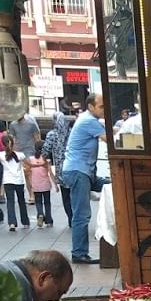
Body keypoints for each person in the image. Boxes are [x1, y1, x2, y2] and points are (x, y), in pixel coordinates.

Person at [63, 93, 108, 265]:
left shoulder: (88, 120)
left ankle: (79, 251)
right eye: (101, 107)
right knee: (82, 214)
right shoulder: (89, 121)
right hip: (78, 172)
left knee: (111, 185)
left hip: (84, 172)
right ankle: (79, 253)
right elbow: (108, 138)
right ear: (91, 107)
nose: (104, 110)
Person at [43, 104, 73, 222]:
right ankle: (76, 216)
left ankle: (70, 218)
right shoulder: (71, 132)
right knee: (74, 194)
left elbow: (45, 151)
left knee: (65, 196)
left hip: (61, 168)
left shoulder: (52, 134)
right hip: (72, 165)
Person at [0, 134, 30, 232]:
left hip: (8, 181)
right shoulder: (20, 155)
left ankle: (12, 223)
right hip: (19, 181)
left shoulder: (0, 155)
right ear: (13, 143)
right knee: (21, 201)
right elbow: (29, 164)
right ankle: (25, 222)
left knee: (10, 202)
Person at [26, 139, 53, 228]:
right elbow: (50, 172)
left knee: (38, 202)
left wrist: (30, 183)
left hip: (36, 184)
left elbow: (28, 172)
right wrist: (55, 184)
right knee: (47, 202)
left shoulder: (31, 159)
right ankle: (49, 220)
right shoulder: (46, 160)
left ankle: (40, 214)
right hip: (45, 184)